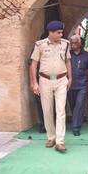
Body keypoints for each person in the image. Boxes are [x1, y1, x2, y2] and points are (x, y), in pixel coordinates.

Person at [30, 20, 72, 153]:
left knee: (61, 111)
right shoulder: (40, 45)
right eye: (58, 32)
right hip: (45, 80)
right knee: (47, 110)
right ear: (51, 32)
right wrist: (34, 82)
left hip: (61, 80)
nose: (61, 34)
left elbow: (68, 61)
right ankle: (51, 137)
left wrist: (70, 78)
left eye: (61, 32)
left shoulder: (66, 44)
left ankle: (60, 141)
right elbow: (33, 64)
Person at [68, 35, 88, 136]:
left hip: (83, 85)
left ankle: (75, 127)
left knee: (79, 105)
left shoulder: (87, 56)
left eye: (75, 43)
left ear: (80, 44)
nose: (73, 45)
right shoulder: (68, 55)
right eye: (72, 43)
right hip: (70, 85)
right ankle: (77, 120)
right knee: (73, 105)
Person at [28, 50, 46, 133]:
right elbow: (31, 66)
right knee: (40, 104)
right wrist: (32, 82)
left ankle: (51, 125)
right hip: (39, 81)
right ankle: (43, 125)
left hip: (52, 81)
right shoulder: (37, 49)